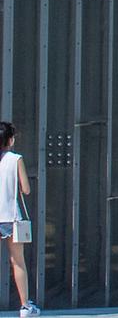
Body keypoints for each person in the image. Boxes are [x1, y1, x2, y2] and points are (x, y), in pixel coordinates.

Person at [0, 121, 36, 318]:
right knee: (17, 262)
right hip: (11, 217)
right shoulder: (16, 159)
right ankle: (25, 306)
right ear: (10, 140)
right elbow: (26, 189)